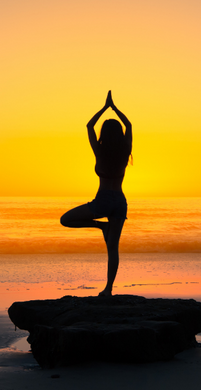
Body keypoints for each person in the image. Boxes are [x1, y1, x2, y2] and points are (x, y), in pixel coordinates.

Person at [60, 91, 132, 296]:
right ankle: (108, 289)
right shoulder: (125, 151)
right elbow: (130, 126)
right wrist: (115, 108)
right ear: (119, 134)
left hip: (102, 201)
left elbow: (89, 126)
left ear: (104, 134)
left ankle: (101, 226)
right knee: (113, 248)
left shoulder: (99, 152)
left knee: (65, 220)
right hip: (119, 201)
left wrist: (104, 108)